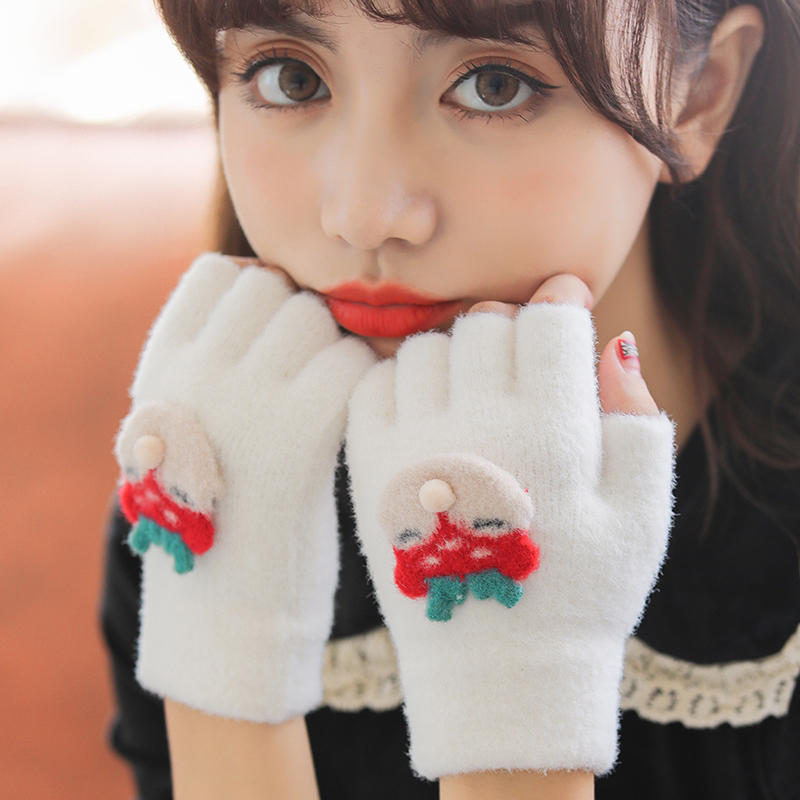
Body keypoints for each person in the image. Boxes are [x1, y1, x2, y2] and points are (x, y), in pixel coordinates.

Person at [100, 0, 800, 798]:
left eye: (495, 84)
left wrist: (513, 725)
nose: (362, 216)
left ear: (701, 93)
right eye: (290, 78)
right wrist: (223, 653)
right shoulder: (202, 474)